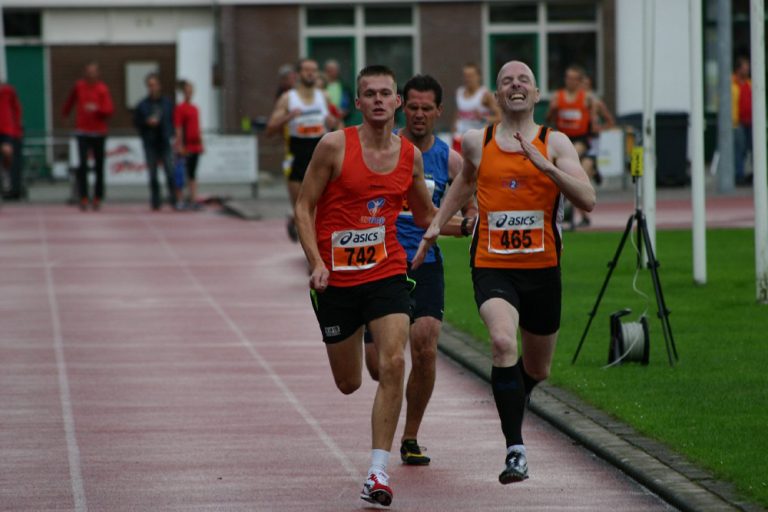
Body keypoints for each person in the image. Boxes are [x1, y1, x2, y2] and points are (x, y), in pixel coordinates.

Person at [414, 60, 595, 486]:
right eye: (507, 81)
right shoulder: (479, 140)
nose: (516, 86)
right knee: (500, 340)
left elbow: (587, 198)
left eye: (524, 81)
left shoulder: (556, 143)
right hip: (493, 265)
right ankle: (516, 451)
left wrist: (547, 167)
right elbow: (465, 183)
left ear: (536, 95)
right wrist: (437, 223)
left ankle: (514, 394)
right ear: (498, 96)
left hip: (543, 269)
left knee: (538, 369)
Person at [293, 65, 465, 507]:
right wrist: (316, 263)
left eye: (385, 93)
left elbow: (426, 216)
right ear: (358, 101)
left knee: (393, 361)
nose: (377, 100)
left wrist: (464, 226)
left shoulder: (410, 156)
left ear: (396, 103)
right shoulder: (334, 146)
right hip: (335, 280)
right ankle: (377, 459)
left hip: (387, 269)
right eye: (368, 93)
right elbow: (304, 207)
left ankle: (377, 472)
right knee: (349, 382)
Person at [363, 74, 477, 466]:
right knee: (380, 365)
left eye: (427, 108)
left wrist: (467, 224)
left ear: (439, 111)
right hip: (379, 265)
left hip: (424, 263)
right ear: (399, 105)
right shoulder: (385, 150)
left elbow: (471, 209)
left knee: (425, 346)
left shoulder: (451, 160)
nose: (418, 114)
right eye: (411, 107)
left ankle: (410, 436)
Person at [267, 58, 340, 241]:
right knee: (301, 207)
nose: (310, 74)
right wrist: (289, 116)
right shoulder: (288, 98)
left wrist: (333, 124)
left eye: (313, 70)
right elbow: (270, 129)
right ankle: (295, 219)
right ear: (298, 74)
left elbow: (338, 124)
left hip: (319, 153)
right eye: (306, 70)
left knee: (318, 207)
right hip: (296, 155)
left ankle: (313, 256)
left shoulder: (323, 96)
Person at [546, 64, 599, 228]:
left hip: (581, 141)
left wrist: (596, 124)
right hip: (562, 139)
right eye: (567, 77)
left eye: (573, 78)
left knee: (575, 161)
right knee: (573, 175)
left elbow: (595, 125)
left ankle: (571, 209)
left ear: (579, 80)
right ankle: (578, 215)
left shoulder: (587, 98)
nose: (569, 81)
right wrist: (553, 111)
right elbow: (548, 119)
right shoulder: (558, 97)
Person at [62, 62, 114, 211]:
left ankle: (97, 197)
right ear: (85, 73)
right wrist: (65, 115)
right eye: (88, 71)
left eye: (94, 72)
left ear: (98, 73)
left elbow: (109, 110)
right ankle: (83, 197)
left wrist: (97, 109)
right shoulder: (79, 86)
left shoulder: (102, 89)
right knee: (82, 166)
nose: (91, 74)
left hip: (99, 133)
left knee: (99, 166)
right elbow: (69, 102)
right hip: (83, 132)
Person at [133, 72, 177, 211]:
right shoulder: (142, 105)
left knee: (170, 171)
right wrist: (146, 123)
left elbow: (173, 120)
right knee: (152, 173)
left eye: (155, 85)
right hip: (150, 142)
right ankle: (156, 200)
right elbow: (136, 122)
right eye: (150, 85)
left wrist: (172, 134)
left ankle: (173, 198)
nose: (152, 88)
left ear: (159, 85)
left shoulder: (167, 103)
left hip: (164, 141)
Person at [452, 63, 500, 153]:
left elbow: (500, 117)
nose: (468, 79)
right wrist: (453, 133)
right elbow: (457, 115)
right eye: (465, 76)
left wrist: (483, 118)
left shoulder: (484, 95)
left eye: (471, 76)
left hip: (478, 139)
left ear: (478, 77)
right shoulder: (459, 92)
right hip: (460, 138)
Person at [174, 79, 204, 208]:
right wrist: (180, 145)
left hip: (195, 146)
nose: (189, 93)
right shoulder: (180, 109)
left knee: (193, 174)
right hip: (185, 146)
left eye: (191, 91)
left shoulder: (195, 109)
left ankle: (193, 199)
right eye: (187, 91)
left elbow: (197, 128)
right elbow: (179, 127)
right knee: (181, 173)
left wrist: (201, 143)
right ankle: (180, 200)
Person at [0, 80, 23, 200]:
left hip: (6, 128)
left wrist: (18, 127)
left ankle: (5, 174)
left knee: (7, 151)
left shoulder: (9, 91)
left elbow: (17, 108)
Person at [732, 55, 752, 186]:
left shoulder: (750, 83)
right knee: (739, 149)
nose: (747, 70)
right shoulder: (731, 83)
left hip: (750, 122)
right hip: (737, 123)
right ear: (738, 69)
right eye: (745, 68)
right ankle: (738, 175)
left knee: (750, 149)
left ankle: (752, 174)